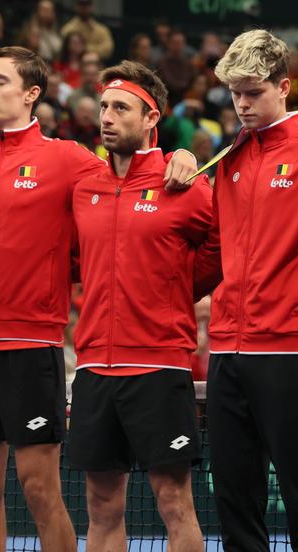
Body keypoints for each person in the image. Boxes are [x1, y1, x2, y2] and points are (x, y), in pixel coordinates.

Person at [0, 46, 197, 552]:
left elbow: (130, 180)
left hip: (33, 346)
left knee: (39, 490)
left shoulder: (70, 159)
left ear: (32, 93)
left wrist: (177, 155)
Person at [206, 29, 298, 551]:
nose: (242, 104)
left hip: (290, 351)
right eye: (235, 94)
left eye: (253, 92)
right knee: (234, 502)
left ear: (284, 86)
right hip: (225, 350)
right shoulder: (228, 158)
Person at [68, 60, 219, 552]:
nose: (107, 117)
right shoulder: (85, 187)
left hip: (158, 364)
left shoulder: (185, 183)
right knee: (100, 506)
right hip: (93, 366)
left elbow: (222, 245)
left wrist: (176, 289)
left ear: (152, 117)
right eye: (104, 107)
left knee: (174, 502)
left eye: (121, 108)